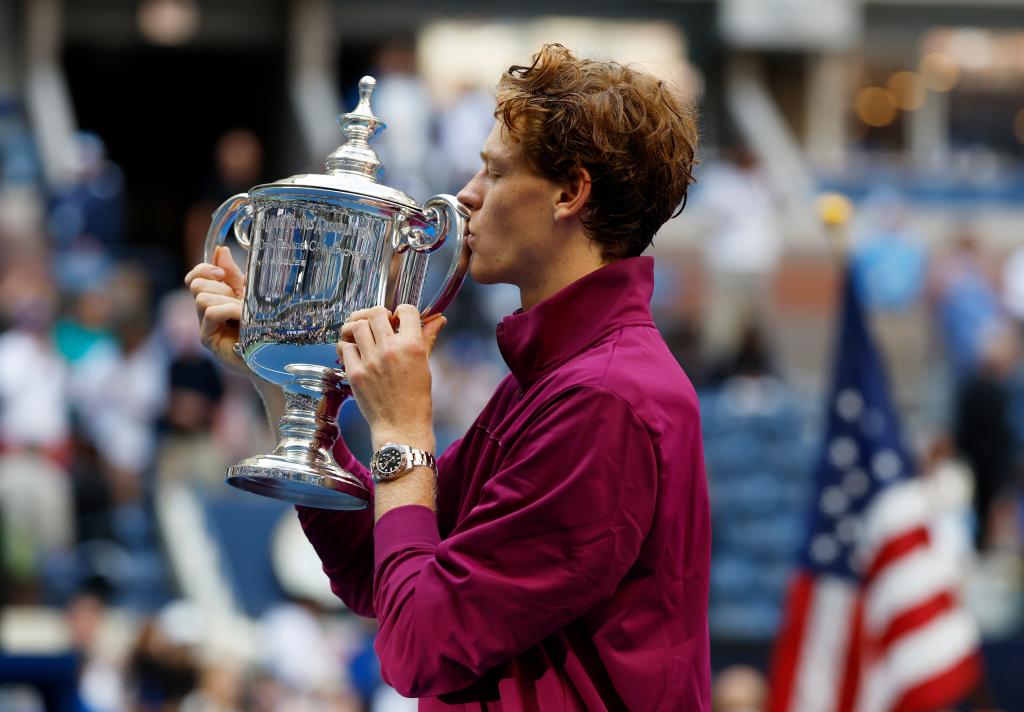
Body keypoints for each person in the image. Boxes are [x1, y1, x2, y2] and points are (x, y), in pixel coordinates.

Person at [186, 44, 709, 710]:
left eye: (494, 171)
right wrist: (283, 376)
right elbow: (378, 575)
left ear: (570, 193)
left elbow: (420, 646)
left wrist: (402, 429)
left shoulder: (605, 396)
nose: (467, 194)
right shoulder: (561, 376)